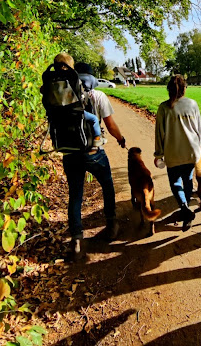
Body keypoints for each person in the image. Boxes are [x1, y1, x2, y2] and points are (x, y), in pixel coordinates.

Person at [56, 56, 127, 261]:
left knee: (76, 195)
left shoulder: (60, 96)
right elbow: (111, 125)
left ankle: (77, 240)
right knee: (107, 184)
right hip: (93, 151)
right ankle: (111, 224)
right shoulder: (98, 96)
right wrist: (120, 139)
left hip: (70, 152)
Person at [154, 74, 201, 230]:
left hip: (172, 153)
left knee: (175, 182)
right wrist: (199, 144)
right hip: (191, 151)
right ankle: (186, 207)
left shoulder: (164, 107)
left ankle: (184, 208)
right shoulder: (192, 104)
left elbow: (159, 133)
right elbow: (199, 129)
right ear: (184, 89)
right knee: (188, 180)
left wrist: (158, 154)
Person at [53, 53, 103, 149]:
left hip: (56, 112)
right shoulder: (73, 78)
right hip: (73, 111)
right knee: (94, 119)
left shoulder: (50, 78)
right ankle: (97, 138)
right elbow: (80, 95)